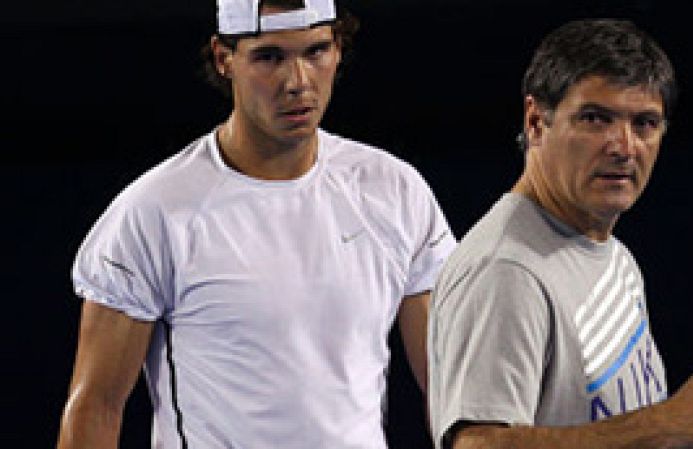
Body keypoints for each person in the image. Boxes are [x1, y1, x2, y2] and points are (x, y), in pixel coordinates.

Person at [56, 0, 456, 447]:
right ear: (224, 59)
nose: (297, 82)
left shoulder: (396, 191)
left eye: (315, 52)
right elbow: (96, 406)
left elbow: (447, 389)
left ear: (338, 49)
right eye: (269, 57)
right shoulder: (153, 212)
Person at [428, 19, 693, 449]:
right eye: (596, 119)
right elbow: (478, 444)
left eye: (644, 123)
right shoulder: (507, 270)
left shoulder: (612, 253)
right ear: (536, 122)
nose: (623, 146)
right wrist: (664, 424)